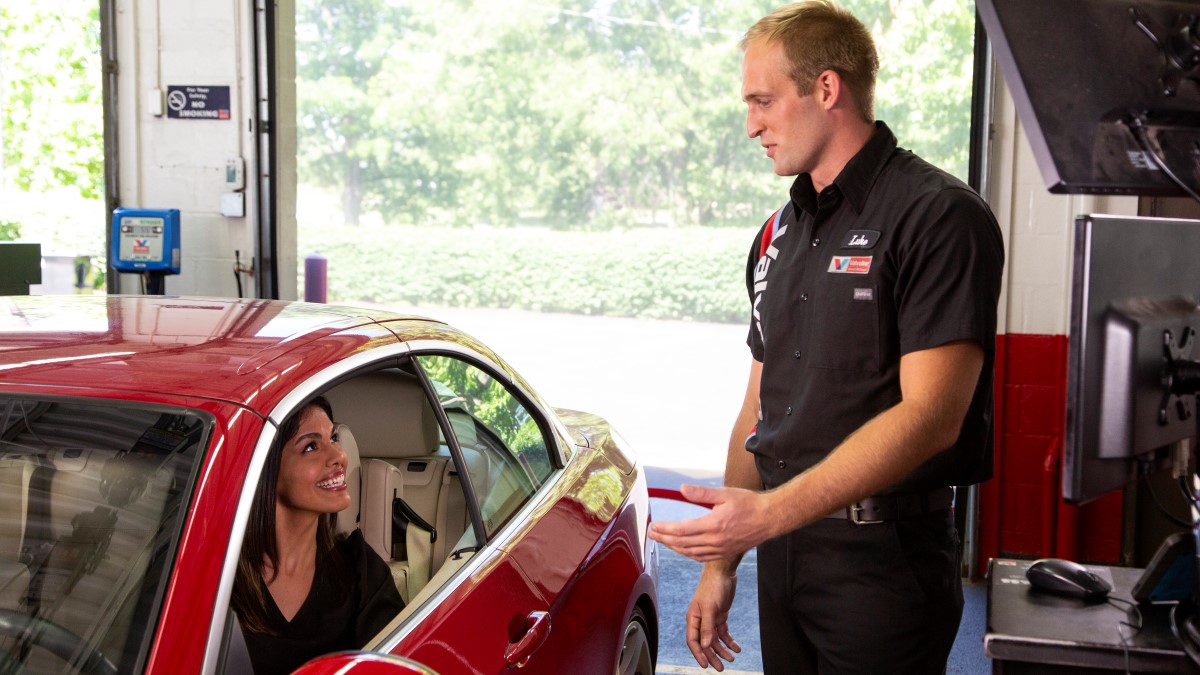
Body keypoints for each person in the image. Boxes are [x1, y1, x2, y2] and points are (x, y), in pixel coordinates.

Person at [647, 2, 1005, 673]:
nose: (751, 124)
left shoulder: (939, 217)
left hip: (885, 564)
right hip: (785, 555)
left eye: (763, 100)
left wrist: (765, 515)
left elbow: (931, 417)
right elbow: (760, 405)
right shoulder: (777, 232)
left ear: (827, 89)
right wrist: (724, 561)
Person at [232, 396, 405, 675]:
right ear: (266, 468)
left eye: (333, 438)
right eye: (312, 446)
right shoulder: (222, 579)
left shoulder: (360, 571)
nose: (339, 456)